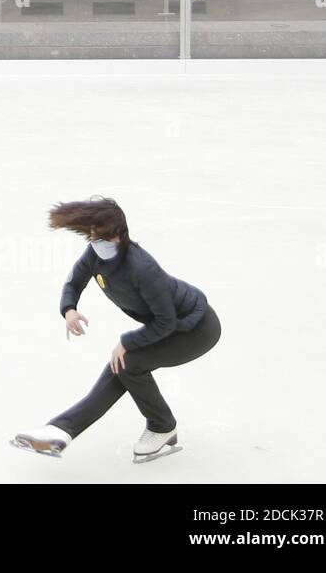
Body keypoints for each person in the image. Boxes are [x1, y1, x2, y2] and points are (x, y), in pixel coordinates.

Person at [12, 198, 221, 464]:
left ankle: (160, 426)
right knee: (123, 365)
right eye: (91, 234)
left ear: (119, 234)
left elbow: (165, 322)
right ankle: (60, 431)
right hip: (168, 324)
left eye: (101, 235)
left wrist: (127, 341)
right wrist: (69, 309)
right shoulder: (94, 254)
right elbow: (74, 282)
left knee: (127, 362)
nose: (95, 240)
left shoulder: (141, 268)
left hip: (197, 329)